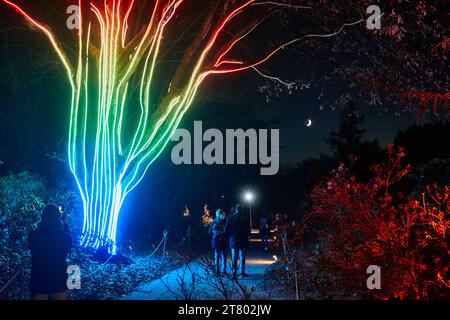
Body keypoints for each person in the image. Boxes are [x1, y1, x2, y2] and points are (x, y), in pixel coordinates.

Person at [28, 204, 72, 300]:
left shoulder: (33, 235)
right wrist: (65, 223)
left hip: (38, 282)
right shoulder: (63, 237)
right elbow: (69, 243)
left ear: (43, 217)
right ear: (58, 218)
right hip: (59, 282)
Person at [225, 204, 250, 278]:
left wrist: (229, 237)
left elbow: (226, 229)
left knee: (234, 257)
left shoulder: (230, 218)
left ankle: (234, 273)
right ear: (242, 210)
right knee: (242, 256)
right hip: (243, 240)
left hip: (234, 240)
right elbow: (248, 230)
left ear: (236, 209)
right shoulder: (245, 218)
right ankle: (242, 272)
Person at [208, 209, 227, 274]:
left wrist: (214, 234)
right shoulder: (225, 221)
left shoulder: (213, 222)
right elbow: (227, 231)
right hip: (223, 240)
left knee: (217, 256)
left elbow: (209, 232)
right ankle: (224, 270)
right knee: (223, 256)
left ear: (217, 215)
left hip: (216, 240)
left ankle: (217, 270)